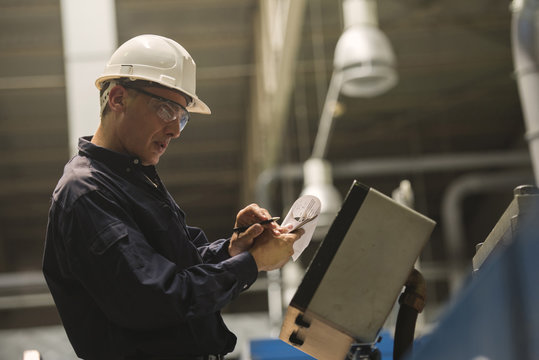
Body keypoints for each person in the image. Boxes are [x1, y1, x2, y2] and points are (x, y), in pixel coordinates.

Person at [43, 34, 303, 360]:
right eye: (166, 110)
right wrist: (253, 264)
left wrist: (235, 247)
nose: (176, 130)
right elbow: (158, 298)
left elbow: (182, 268)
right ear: (118, 99)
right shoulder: (86, 194)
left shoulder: (134, 179)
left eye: (182, 116)